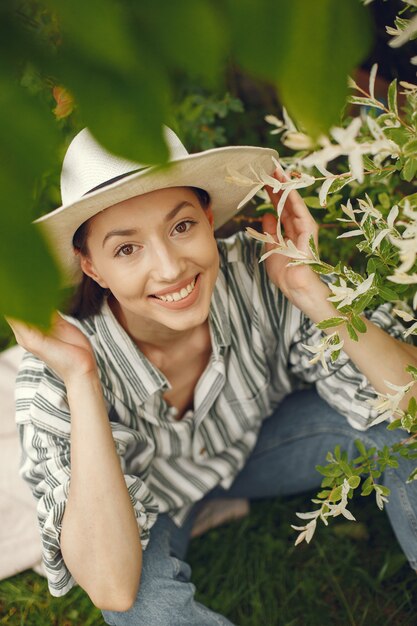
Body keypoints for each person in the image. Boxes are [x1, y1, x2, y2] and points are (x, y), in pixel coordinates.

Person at [8, 126, 417, 626]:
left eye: (181, 227)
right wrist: (82, 378)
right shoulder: (57, 370)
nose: (170, 269)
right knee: (142, 609)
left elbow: (410, 404)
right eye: (126, 249)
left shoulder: (262, 271)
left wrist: (313, 293)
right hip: (146, 501)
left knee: (397, 426)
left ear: (207, 219)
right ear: (92, 268)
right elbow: (111, 586)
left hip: (256, 447)